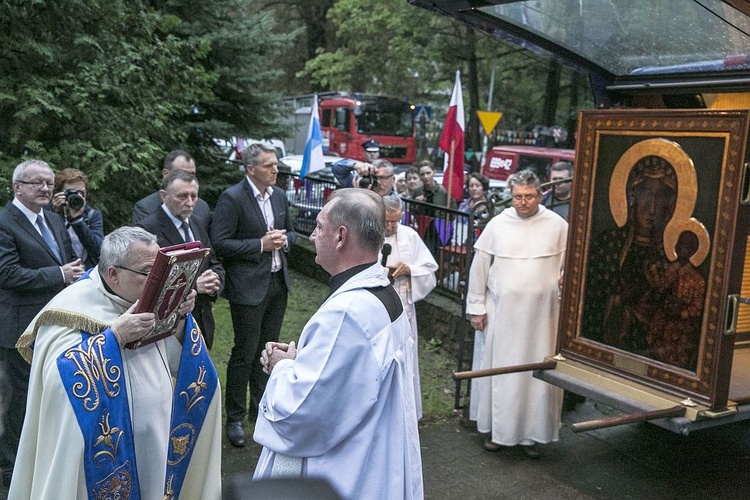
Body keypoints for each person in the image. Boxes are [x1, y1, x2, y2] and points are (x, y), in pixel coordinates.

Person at [9, 227, 221, 499]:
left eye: (159, 269)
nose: (157, 281)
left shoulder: (147, 299)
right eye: (149, 272)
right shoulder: (71, 309)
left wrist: (178, 317)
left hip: (157, 438)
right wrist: (115, 337)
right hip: (101, 458)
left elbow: (179, 364)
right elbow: (56, 383)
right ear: (113, 274)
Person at [253, 188, 423, 499]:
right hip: (375, 455)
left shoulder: (346, 313)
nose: (312, 236)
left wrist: (282, 368)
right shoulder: (384, 292)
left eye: (319, 226)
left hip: (346, 471)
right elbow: (347, 380)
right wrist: (300, 361)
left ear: (341, 236)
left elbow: (302, 412)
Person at [466, 169, 567, 458]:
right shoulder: (498, 224)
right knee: (503, 374)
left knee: (536, 378)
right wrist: (477, 308)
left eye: (529, 196)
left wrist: (563, 280)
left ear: (540, 194)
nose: (523, 202)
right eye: (517, 197)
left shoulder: (558, 225)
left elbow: (568, 265)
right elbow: (479, 269)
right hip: (503, 315)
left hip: (543, 319)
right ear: (511, 196)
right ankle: (499, 433)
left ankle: (532, 436)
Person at [0, 159, 84, 487]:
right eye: (36, 182)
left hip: (54, 323)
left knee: (49, 393)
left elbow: (65, 262)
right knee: (19, 400)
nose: (45, 188)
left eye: (48, 183)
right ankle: (11, 468)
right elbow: (6, 274)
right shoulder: (5, 221)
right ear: (17, 186)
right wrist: (58, 274)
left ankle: (40, 455)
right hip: (19, 326)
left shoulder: (52, 219)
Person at [210, 142, 297, 448]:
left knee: (269, 349)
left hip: (277, 283)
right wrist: (260, 245)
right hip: (247, 286)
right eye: (269, 165)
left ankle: (260, 408)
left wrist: (285, 240)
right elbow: (219, 243)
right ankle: (234, 416)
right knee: (245, 351)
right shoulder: (232, 198)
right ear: (250, 169)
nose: (276, 169)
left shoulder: (280, 196)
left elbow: (293, 232)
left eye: (276, 164)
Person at [136, 169, 225, 349]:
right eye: (182, 196)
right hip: (166, 326)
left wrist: (215, 281)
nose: (190, 203)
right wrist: (193, 287)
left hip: (201, 319)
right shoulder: (147, 230)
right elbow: (147, 283)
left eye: (194, 196)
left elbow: (213, 262)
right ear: (164, 196)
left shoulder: (197, 222)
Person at [382, 195, 438, 420]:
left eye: (395, 221)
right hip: (375, 305)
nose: (390, 226)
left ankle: (404, 412)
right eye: (386, 221)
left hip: (402, 306)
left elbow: (429, 269)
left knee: (404, 357)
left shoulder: (410, 236)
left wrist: (410, 269)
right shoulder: (368, 234)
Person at [131, 149, 211, 225]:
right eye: (181, 173)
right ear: (165, 174)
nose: (188, 178)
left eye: (192, 174)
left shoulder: (202, 208)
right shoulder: (146, 208)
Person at [50, 167, 104, 269]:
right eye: (71, 193)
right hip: (58, 273)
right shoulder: (48, 213)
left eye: (81, 193)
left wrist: (77, 220)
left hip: (84, 272)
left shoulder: (91, 215)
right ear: (58, 193)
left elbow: (98, 251)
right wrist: (54, 214)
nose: (77, 196)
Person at [411, 160, 456, 259]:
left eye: (428, 173)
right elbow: (411, 210)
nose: (426, 177)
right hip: (424, 228)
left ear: (434, 172)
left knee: (440, 257)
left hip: (441, 228)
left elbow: (453, 212)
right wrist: (418, 203)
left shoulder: (444, 191)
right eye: (422, 174)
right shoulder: (417, 191)